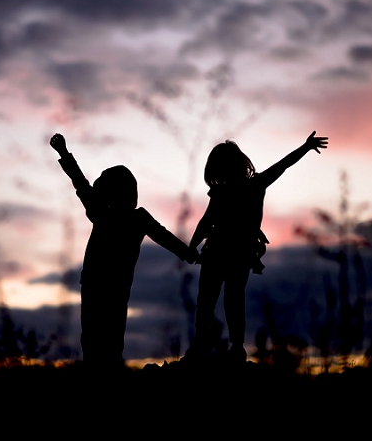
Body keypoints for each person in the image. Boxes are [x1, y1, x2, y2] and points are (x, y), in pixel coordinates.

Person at [50, 133, 196, 367]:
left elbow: (163, 236)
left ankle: (104, 377)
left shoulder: (113, 214)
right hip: (102, 285)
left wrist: (187, 253)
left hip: (105, 286)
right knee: (100, 339)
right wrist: (187, 253)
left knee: (102, 339)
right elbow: (81, 184)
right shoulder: (115, 214)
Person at [186, 131, 328, 362]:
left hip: (237, 254)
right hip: (218, 252)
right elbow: (206, 221)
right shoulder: (221, 193)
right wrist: (192, 247)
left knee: (227, 300)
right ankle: (207, 344)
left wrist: (305, 147)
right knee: (209, 301)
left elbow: (283, 165)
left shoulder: (254, 185)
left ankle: (235, 346)